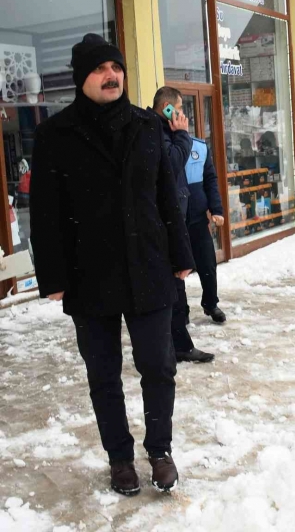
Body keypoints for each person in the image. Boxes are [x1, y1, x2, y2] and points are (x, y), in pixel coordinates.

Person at [30, 34, 193, 496]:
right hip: (90, 275)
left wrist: (181, 255)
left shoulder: (147, 127)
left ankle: (159, 450)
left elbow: (166, 196)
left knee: (159, 367)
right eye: (101, 68)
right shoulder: (55, 135)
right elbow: (46, 214)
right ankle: (119, 459)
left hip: (149, 267)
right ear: (83, 77)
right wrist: (54, 277)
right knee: (103, 375)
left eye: (116, 67)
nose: (112, 75)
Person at [148, 87, 215, 363]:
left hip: (172, 218)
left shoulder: (162, 132)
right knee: (171, 287)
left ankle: (178, 344)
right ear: (166, 108)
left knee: (176, 284)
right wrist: (182, 134)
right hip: (162, 222)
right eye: (178, 109)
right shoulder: (157, 132)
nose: (183, 115)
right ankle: (175, 347)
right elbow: (171, 165)